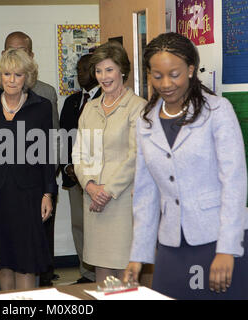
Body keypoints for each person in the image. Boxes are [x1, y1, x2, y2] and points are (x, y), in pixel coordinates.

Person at [124, 32, 248, 300]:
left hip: (216, 240)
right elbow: (145, 194)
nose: (166, 84)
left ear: (191, 69)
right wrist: (138, 255)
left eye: (174, 74)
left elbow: (234, 183)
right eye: (157, 76)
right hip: (170, 242)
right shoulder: (146, 122)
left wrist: (227, 248)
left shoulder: (217, 111)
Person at [0, 31, 59, 286]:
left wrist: (47, 194)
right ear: (0, 76)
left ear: (27, 77)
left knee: (26, 262)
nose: (12, 80)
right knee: (1, 262)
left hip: (28, 196)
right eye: (7, 74)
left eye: (18, 75)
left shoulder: (40, 107)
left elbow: (45, 154)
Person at [72, 41, 146, 283]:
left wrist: (107, 192)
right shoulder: (90, 108)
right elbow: (79, 154)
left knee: (126, 278)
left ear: (122, 70)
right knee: (102, 279)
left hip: (123, 203)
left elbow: (135, 156)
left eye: (109, 70)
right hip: (94, 202)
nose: (103, 77)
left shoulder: (137, 107)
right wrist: (91, 187)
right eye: (99, 71)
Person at [59, 54, 101, 283]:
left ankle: (102, 273)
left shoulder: (107, 99)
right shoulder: (72, 102)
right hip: (75, 177)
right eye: (78, 69)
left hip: (99, 178)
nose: (80, 74)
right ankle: (86, 273)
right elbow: (63, 137)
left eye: (85, 69)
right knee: (79, 225)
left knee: (99, 226)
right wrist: (67, 167)